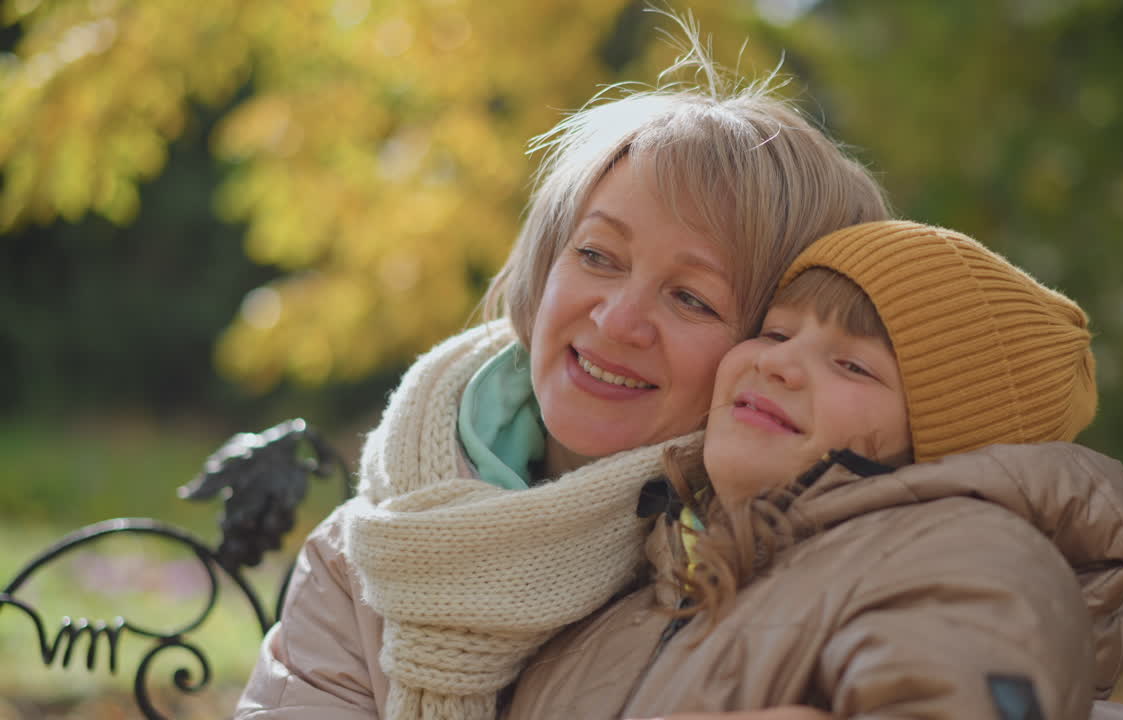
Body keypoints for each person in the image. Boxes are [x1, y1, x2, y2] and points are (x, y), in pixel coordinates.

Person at [233, 27, 893, 720]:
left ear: (770, 348)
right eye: (599, 256)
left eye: (691, 298)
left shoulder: (806, 569)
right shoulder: (368, 549)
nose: (616, 322)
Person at [504, 221, 1123, 720]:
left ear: (944, 443)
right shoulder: (636, 584)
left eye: (853, 365)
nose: (778, 364)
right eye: (777, 333)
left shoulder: (967, 559)